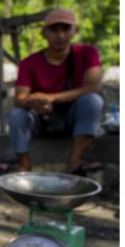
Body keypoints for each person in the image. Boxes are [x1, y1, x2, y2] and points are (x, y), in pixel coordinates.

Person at [7, 9, 104, 174]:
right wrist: (34, 102)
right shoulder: (29, 63)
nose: (60, 35)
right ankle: (24, 165)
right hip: (42, 120)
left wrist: (51, 97)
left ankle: (74, 163)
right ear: (44, 33)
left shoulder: (87, 53)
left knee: (93, 101)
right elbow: (20, 98)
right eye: (54, 30)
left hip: (73, 118)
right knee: (16, 115)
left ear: (74, 31)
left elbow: (93, 86)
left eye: (65, 29)